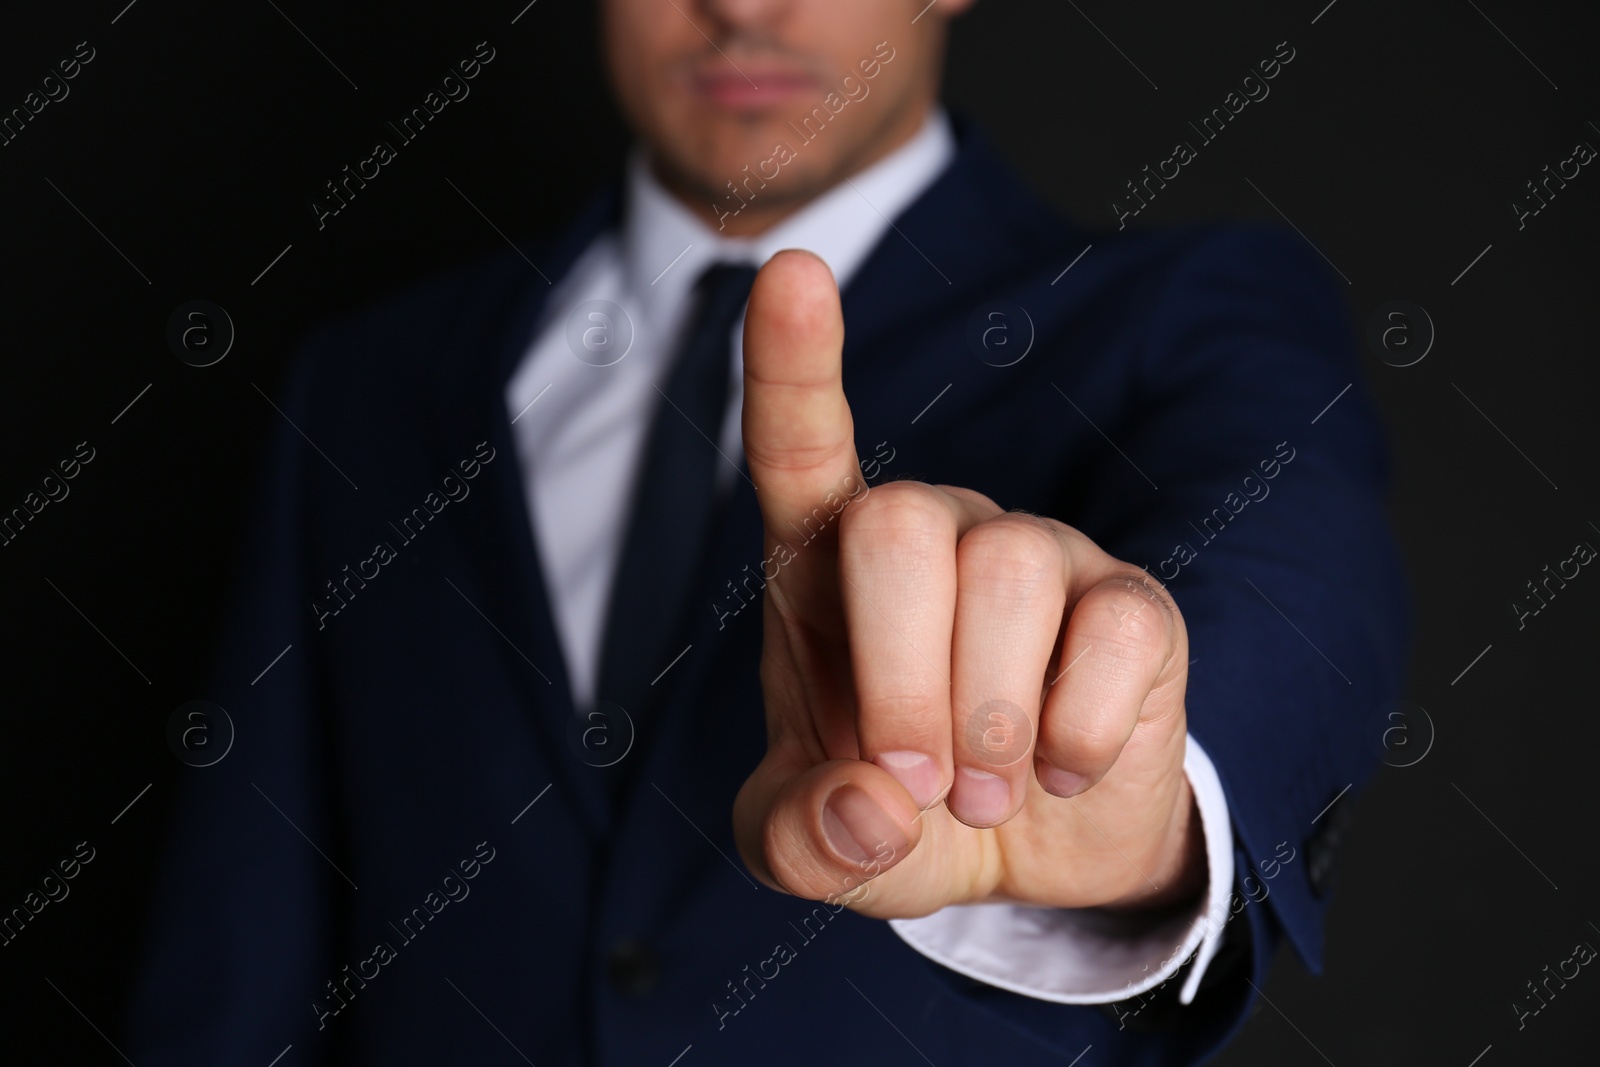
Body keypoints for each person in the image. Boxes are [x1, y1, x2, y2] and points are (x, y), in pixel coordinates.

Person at [127, 0, 1409, 1062]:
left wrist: (1162, 782)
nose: (741, 7)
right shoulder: (369, 381)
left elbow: (1301, 563)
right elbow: (239, 943)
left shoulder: (1174, 315)